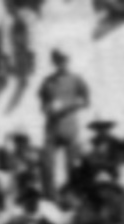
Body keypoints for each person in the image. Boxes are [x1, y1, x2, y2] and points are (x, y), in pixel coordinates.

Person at [37, 50, 91, 196]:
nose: (61, 63)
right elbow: (43, 104)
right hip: (52, 128)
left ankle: (72, 196)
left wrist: (68, 105)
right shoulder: (47, 81)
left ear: (68, 60)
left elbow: (86, 101)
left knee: (72, 166)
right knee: (46, 164)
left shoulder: (76, 79)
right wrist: (48, 108)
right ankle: (50, 196)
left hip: (69, 127)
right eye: (58, 60)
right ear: (54, 62)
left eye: (63, 59)